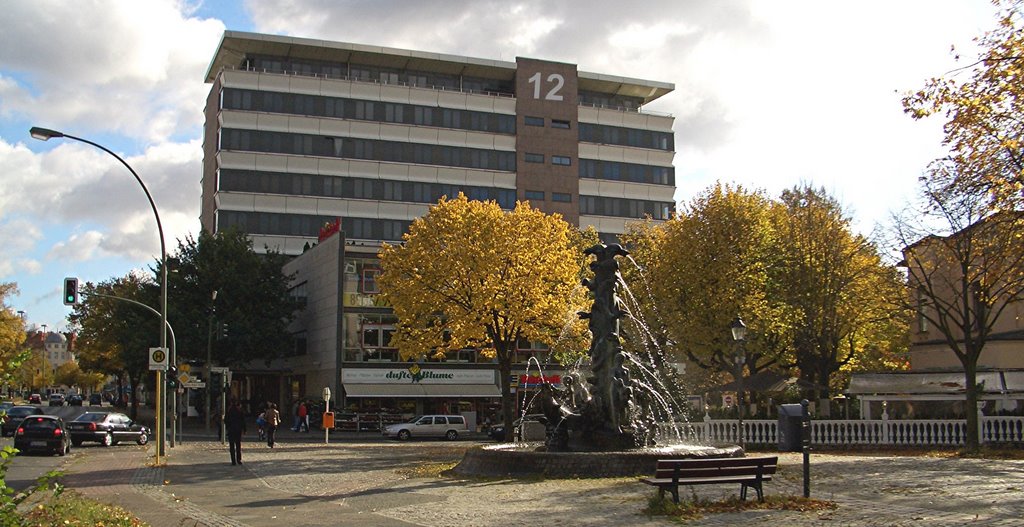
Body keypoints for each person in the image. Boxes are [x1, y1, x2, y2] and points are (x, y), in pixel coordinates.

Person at [223, 400, 246, 465]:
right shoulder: (240, 412)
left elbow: (225, 420)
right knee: (238, 445)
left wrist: (228, 427)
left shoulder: (229, 411)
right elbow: (243, 421)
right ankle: (239, 459)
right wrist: (244, 429)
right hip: (238, 430)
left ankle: (233, 461)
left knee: (232, 445)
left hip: (231, 430)